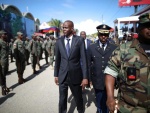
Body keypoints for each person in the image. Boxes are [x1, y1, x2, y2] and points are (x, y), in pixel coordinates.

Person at [104, 13, 150, 113]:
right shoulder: (124, 49)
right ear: (138, 28)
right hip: (130, 108)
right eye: (147, 26)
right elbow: (110, 72)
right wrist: (110, 97)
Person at [54, 20, 88, 113]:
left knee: (78, 98)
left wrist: (85, 77)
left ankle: (80, 110)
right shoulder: (59, 41)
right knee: (62, 99)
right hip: (63, 75)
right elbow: (57, 60)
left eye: (66, 27)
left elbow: (84, 60)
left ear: (72, 28)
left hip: (76, 75)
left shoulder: (79, 40)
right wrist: (56, 75)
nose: (63, 29)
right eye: (63, 27)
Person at [87, 24, 117, 113]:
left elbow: (117, 65)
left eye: (106, 35)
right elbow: (88, 64)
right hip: (97, 79)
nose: (103, 37)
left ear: (108, 35)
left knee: (109, 100)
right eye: (101, 34)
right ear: (98, 34)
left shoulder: (114, 47)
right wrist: (89, 79)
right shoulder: (91, 47)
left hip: (111, 80)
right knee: (99, 101)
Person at [0, 30, 10, 95]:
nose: (6, 35)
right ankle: (3, 89)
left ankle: (5, 86)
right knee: (2, 75)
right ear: (1, 35)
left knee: (4, 74)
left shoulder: (5, 42)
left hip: (6, 60)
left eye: (6, 34)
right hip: (2, 61)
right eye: (4, 34)